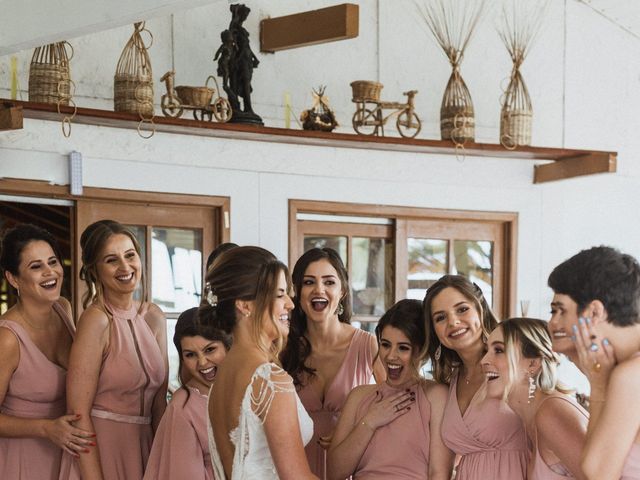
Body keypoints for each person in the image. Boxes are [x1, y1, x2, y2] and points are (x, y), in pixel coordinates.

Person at [59, 220, 168, 480]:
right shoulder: (95, 320)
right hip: (100, 450)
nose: (125, 267)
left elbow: (159, 405)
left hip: (147, 449)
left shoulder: (153, 316)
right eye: (111, 260)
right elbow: (78, 414)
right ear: (95, 271)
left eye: (130, 255)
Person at [204, 246, 317, 479]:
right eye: (279, 294)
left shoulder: (221, 379)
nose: (290, 303)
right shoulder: (269, 379)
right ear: (245, 305)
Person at [282, 247, 385, 479]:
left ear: (343, 291)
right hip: (294, 468)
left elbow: (391, 404)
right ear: (297, 292)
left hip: (350, 467)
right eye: (309, 282)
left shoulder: (367, 345)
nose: (319, 289)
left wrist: (354, 426)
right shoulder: (282, 349)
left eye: (329, 282)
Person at [0, 224, 93, 479]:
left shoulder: (63, 308)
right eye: (36, 266)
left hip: (68, 456)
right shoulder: (7, 338)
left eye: (53, 261)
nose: (50, 272)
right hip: (21, 461)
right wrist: (46, 428)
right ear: (13, 278)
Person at [328, 299, 454, 479]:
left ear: (422, 351)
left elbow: (439, 473)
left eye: (403, 348)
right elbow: (334, 473)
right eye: (385, 344)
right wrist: (369, 422)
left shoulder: (437, 396)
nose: (390, 356)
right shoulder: (358, 397)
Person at [548, 246, 640, 479]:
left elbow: (596, 473)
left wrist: (598, 385)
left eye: (559, 311)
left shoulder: (631, 376)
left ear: (595, 312)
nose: (552, 323)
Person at [423, 275, 528, 479]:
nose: (453, 322)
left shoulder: (513, 362)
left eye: (462, 309)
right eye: (440, 317)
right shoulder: (450, 382)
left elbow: (555, 417)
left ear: (481, 308)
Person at [482, 317, 588, 479]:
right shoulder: (529, 420)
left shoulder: (551, 412)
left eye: (498, 350)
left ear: (532, 364)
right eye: (486, 351)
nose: (484, 360)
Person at [144, 307, 231, 480]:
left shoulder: (248, 392)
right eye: (191, 355)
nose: (203, 362)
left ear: (228, 346)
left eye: (210, 350)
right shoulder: (182, 409)